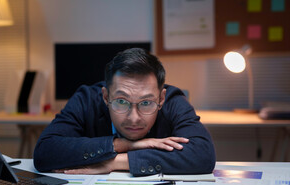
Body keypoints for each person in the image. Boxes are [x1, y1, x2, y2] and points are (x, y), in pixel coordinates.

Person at [33, 48, 215, 176]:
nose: (134, 118)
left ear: (161, 99)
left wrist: (115, 162)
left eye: (146, 103)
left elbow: (203, 154)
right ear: (105, 97)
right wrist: (124, 145)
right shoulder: (87, 99)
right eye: (121, 101)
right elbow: (45, 151)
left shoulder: (173, 101)